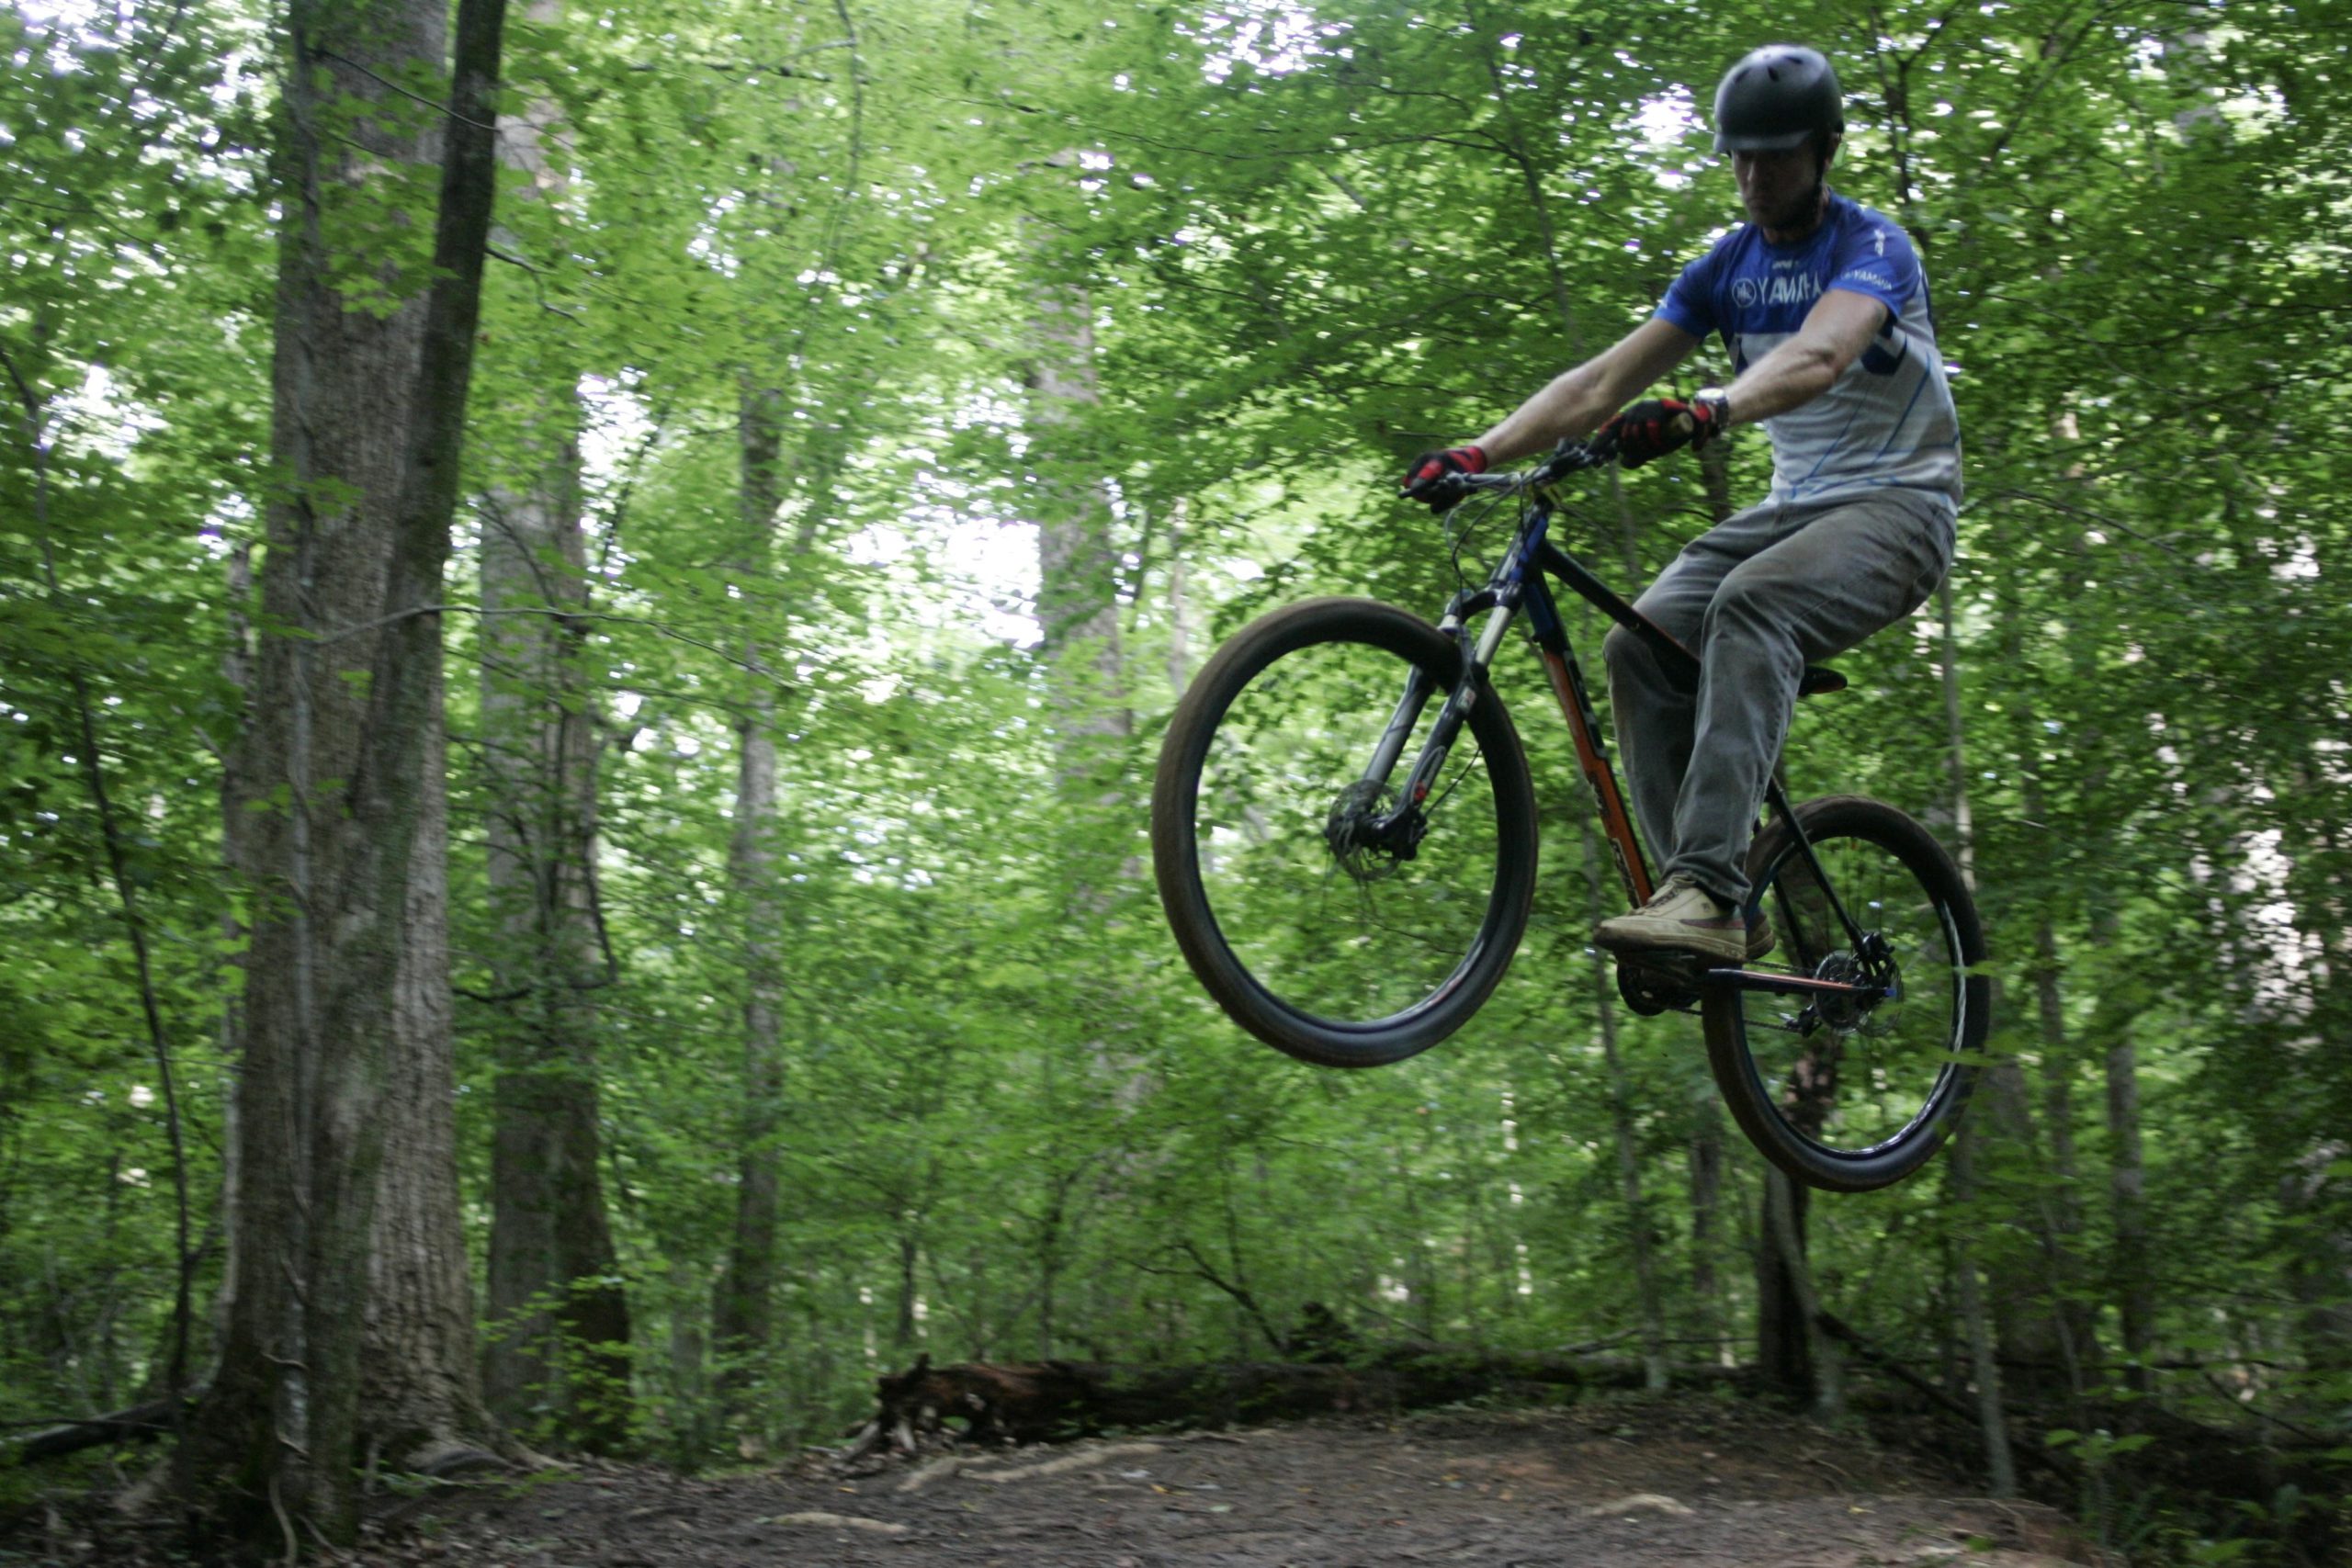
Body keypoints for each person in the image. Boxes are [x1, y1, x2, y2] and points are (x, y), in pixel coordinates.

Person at [1400, 43, 1961, 965]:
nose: (1751, 174)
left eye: (1773, 155)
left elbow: (1819, 356)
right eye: (1737, 155)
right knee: (1640, 647)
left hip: (1899, 510)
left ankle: (1709, 887)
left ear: (1823, 151)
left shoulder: (1872, 248)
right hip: (1797, 508)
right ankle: (1695, 901)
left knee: (1752, 604)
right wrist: (1477, 451)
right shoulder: (1725, 268)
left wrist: (1709, 409)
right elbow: (1600, 383)